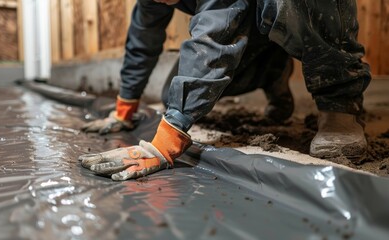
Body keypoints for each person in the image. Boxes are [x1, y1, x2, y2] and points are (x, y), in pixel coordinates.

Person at [79, 0, 371, 180]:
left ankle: (339, 105)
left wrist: (167, 141)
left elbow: (213, 37)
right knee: (173, 92)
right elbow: (142, 41)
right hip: (257, 27)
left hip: (300, 10)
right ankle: (273, 72)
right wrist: (124, 110)